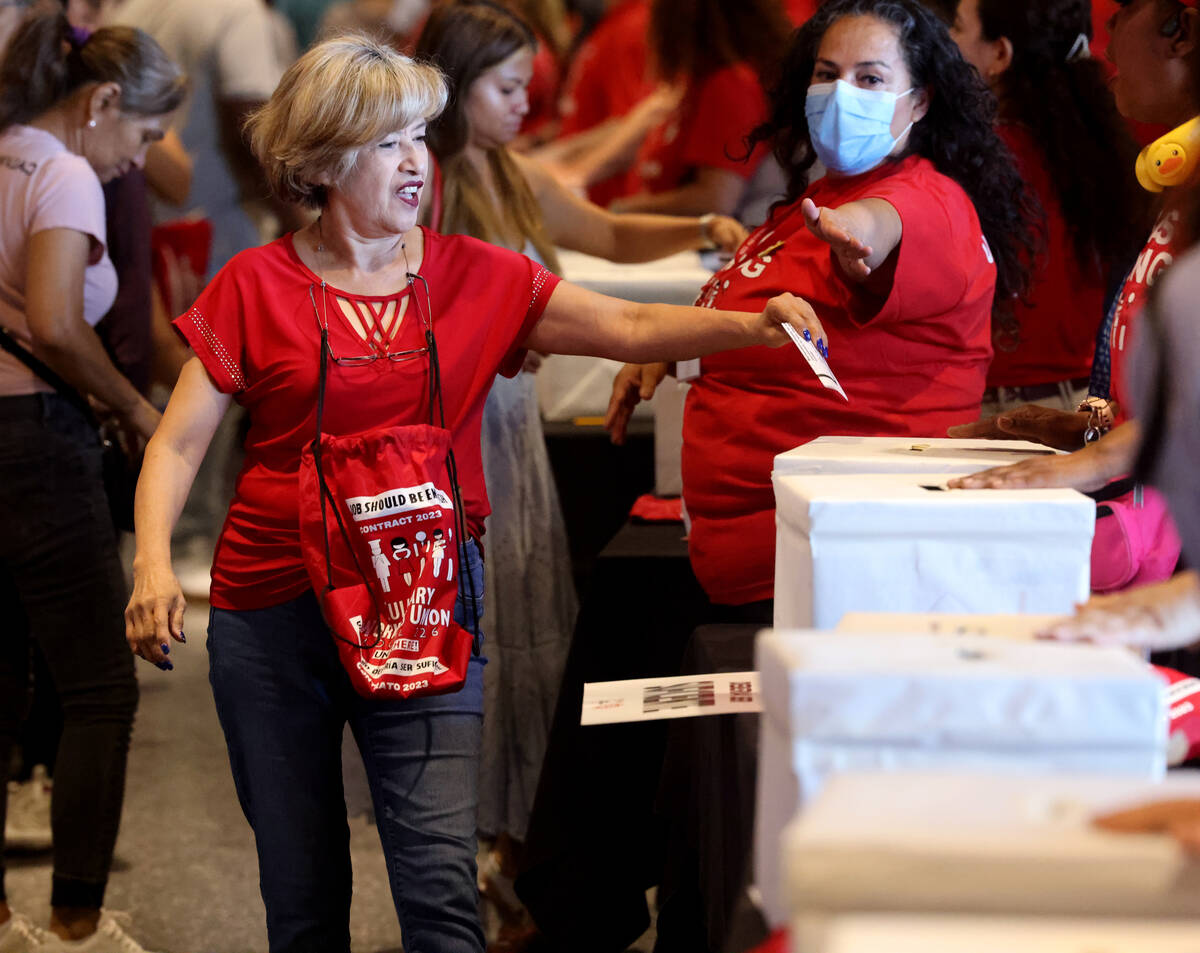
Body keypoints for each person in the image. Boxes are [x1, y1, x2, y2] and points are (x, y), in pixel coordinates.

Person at [122, 33, 819, 953]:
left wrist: (751, 325)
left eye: (419, 135)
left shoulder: (478, 274)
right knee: (300, 892)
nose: (416, 161)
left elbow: (632, 324)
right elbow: (176, 444)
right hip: (273, 605)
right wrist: (152, 566)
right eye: (386, 142)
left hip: (425, 596)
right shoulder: (255, 283)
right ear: (324, 162)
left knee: (438, 884)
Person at [412, 0, 747, 935]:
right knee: (472, 634)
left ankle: (512, 858)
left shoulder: (510, 175)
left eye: (530, 86)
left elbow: (603, 232)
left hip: (510, 428)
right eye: (507, 87)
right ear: (450, 86)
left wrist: (710, 236)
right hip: (456, 429)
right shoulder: (423, 181)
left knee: (524, 632)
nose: (525, 105)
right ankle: (464, 861)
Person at [606, 0, 1034, 609]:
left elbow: (877, 227)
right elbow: (774, 324)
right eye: (827, 74)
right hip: (783, 569)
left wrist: (853, 236)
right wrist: (687, 351)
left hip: (839, 572)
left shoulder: (925, 203)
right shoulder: (818, 197)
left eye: (870, 78)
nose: (840, 94)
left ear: (920, 101)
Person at [0, 14, 184, 953]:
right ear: (102, 103)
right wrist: (138, 412)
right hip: (35, 437)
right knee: (99, 689)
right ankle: (74, 925)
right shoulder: (65, 170)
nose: (133, 162)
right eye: (142, 137)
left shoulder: (2, 154)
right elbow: (59, 325)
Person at [949, 0, 1200, 491]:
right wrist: (1092, 431)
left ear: (1181, 30)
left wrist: (1098, 456)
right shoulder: (1180, 181)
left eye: (1126, 8)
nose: (1106, 26)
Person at [948, 0, 1146, 416]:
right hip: (1083, 405)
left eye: (957, 27)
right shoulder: (1099, 147)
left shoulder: (975, 159)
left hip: (992, 410)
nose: (945, 40)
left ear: (1000, 54)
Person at [605, 0, 794, 216]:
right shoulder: (698, 82)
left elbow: (715, 200)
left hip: (696, 244)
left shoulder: (730, 85)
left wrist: (621, 211)